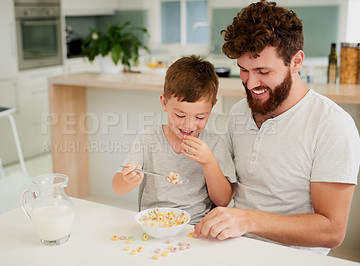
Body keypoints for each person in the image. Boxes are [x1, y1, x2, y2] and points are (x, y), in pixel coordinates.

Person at [194, 0, 360, 255]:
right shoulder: (240, 112)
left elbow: (332, 230)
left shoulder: (331, 125)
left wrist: (248, 220)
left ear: (296, 61)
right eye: (244, 70)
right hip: (234, 247)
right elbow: (226, 191)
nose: (251, 84)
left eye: (262, 70)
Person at [112, 55, 237, 224]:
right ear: (164, 103)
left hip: (195, 226)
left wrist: (209, 163)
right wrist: (127, 180)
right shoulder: (147, 139)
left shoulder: (214, 144)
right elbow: (117, 188)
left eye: (200, 117)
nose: (189, 125)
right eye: (180, 115)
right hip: (153, 223)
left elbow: (223, 200)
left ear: (212, 106)